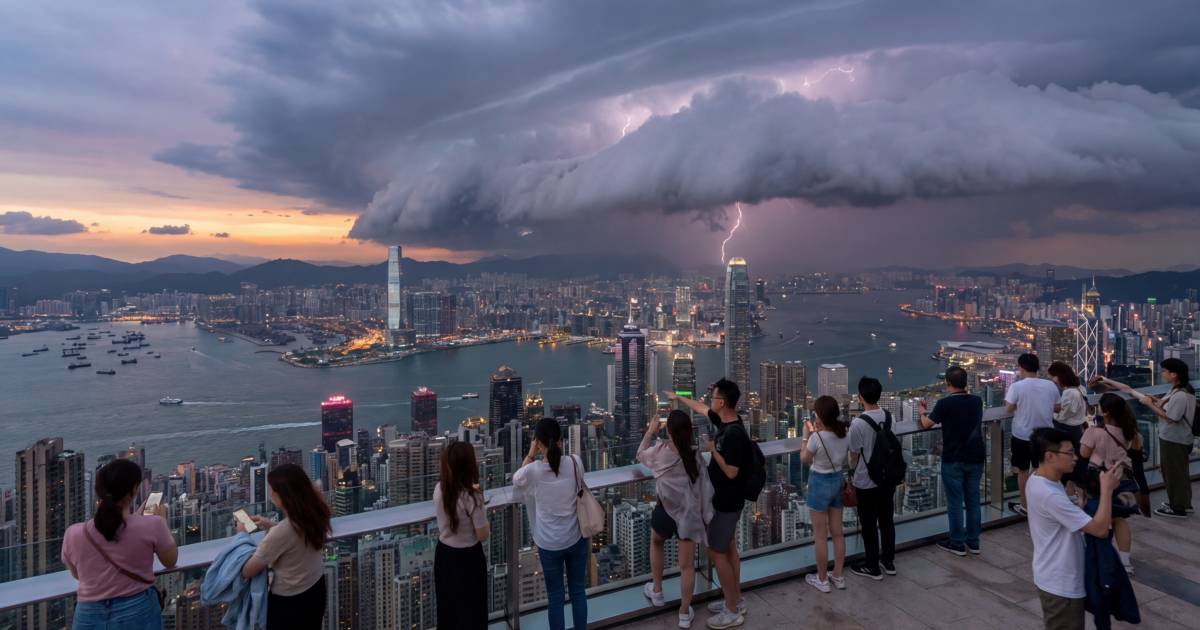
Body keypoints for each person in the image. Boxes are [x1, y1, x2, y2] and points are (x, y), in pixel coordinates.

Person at [668, 379, 753, 629]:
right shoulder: (726, 422)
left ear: (723, 402)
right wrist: (679, 398)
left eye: (713, 397)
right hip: (726, 501)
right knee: (729, 550)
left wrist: (712, 450)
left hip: (727, 503)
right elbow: (701, 408)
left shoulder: (734, 434)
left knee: (717, 553)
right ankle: (735, 599)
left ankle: (731, 610)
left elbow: (732, 472)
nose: (710, 401)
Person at [62, 459, 178, 630]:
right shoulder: (153, 525)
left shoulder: (73, 533)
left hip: (88, 615)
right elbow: (170, 561)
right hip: (138, 611)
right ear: (133, 490)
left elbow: (79, 575)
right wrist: (161, 521)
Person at [1026, 427, 1121, 630]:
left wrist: (1075, 506)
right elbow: (1100, 529)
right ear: (1049, 456)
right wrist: (1107, 490)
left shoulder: (1037, 479)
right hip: (1061, 584)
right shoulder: (1050, 494)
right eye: (1069, 453)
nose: (1076, 458)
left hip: (1050, 572)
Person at [637, 410, 713, 628]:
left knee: (656, 542)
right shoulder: (694, 454)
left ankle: (658, 591)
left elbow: (640, 453)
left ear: (668, 430)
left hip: (664, 510)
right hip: (688, 515)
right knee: (687, 566)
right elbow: (704, 487)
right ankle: (683, 613)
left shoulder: (660, 452)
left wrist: (651, 432)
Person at [1093, 358, 1195, 518]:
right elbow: (1130, 390)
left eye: (1164, 371)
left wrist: (1149, 403)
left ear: (1174, 374)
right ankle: (1179, 502)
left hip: (1176, 439)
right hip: (1173, 438)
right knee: (1174, 471)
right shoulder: (1177, 390)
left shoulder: (1181, 395)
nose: (1162, 374)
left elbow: (1171, 417)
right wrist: (1107, 381)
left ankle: (1179, 507)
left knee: (1175, 473)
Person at [513, 418, 589, 630]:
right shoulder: (575, 462)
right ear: (561, 440)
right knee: (577, 591)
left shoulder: (534, 470)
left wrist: (530, 453)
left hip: (548, 544)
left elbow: (517, 479)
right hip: (575, 538)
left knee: (555, 597)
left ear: (538, 442)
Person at [237, 463, 331, 630]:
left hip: (289, 603)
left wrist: (241, 535)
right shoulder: (316, 514)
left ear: (284, 496)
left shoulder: (282, 532)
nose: (270, 494)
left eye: (272, 490)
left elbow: (247, 571)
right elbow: (295, 538)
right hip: (316, 591)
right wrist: (270, 525)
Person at [918, 366, 986, 556]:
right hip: (976, 456)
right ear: (966, 382)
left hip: (953, 458)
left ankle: (957, 543)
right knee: (973, 501)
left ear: (947, 383)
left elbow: (926, 424)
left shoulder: (944, 404)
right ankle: (973, 542)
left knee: (955, 502)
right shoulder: (977, 401)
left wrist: (922, 411)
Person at [1079, 393, 1141, 574]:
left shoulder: (1094, 432)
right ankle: (1125, 562)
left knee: (1096, 517)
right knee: (1119, 519)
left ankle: (1095, 557)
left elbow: (1083, 453)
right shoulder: (1130, 431)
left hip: (1100, 480)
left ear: (1104, 411)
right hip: (1123, 478)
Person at [434, 441, 490, 629]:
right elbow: (483, 534)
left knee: (448, 610)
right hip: (469, 559)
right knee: (473, 612)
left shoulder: (439, 490)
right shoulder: (472, 498)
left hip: (444, 557)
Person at [848, 376, 896, 580]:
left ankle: (872, 566)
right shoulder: (889, 416)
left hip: (866, 481)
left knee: (868, 524)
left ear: (860, 397)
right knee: (886, 520)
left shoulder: (858, 423)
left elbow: (854, 455)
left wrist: (852, 468)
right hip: (887, 478)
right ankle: (889, 561)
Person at [800, 396, 849, 592]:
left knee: (820, 536)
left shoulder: (816, 438)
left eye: (816, 413)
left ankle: (822, 580)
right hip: (838, 479)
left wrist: (805, 436)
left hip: (819, 482)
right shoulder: (844, 432)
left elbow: (804, 458)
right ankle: (837, 575)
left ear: (820, 416)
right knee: (837, 533)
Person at [1005, 353, 1060, 516]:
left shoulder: (1017, 386)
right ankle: (1042, 504)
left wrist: (1020, 405)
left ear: (1021, 368)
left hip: (1022, 435)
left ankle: (1025, 506)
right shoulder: (1050, 386)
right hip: (1045, 435)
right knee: (1042, 471)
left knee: (1022, 471)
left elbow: (1008, 408)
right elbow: (1058, 408)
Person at [1048, 361, 1089, 503]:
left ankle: (1071, 495)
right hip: (1076, 431)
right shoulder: (1080, 388)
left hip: (1066, 430)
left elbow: (1063, 415)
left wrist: (1049, 411)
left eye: (1053, 376)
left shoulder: (1069, 393)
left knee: (1066, 462)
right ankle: (1074, 493)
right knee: (1074, 461)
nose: (1053, 380)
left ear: (1059, 376)